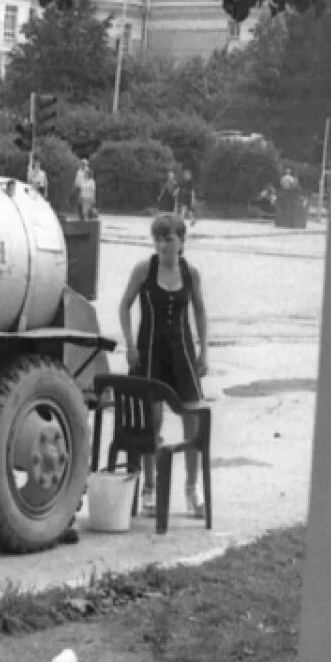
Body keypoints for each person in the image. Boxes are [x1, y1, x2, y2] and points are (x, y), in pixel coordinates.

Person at [118, 213, 209, 519]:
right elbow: (124, 305)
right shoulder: (144, 269)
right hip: (150, 353)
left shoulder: (191, 273)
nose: (162, 246)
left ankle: (192, 489)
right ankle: (149, 489)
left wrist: (204, 351)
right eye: (157, 239)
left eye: (168, 239)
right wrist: (130, 345)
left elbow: (200, 311)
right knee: (152, 422)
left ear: (181, 241)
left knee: (192, 419)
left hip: (181, 353)